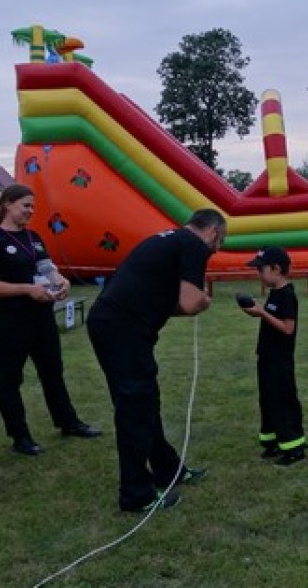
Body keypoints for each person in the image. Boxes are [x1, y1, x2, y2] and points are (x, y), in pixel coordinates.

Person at [87, 209, 227, 512]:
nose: (217, 250)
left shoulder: (171, 239)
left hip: (112, 323)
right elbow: (190, 303)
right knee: (135, 407)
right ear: (214, 232)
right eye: (220, 242)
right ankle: (136, 495)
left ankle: (168, 469)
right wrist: (204, 301)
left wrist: (190, 304)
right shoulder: (194, 245)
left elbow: (168, 304)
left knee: (146, 401)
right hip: (121, 329)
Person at [0, 184, 102, 457]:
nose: (30, 211)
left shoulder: (34, 237)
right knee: (11, 378)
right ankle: (20, 436)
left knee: (53, 372)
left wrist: (62, 281)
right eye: (26, 206)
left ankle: (68, 422)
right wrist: (27, 289)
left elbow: (47, 268)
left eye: (33, 206)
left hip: (41, 318)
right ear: (8, 204)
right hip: (10, 321)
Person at [237, 246, 307, 466]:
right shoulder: (275, 293)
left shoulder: (287, 295)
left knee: (283, 400)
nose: (259, 273)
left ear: (276, 269)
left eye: (261, 269)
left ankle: (294, 448)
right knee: (268, 400)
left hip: (280, 360)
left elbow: (288, 328)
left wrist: (262, 312)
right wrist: (256, 312)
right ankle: (273, 442)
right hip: (267, 357)